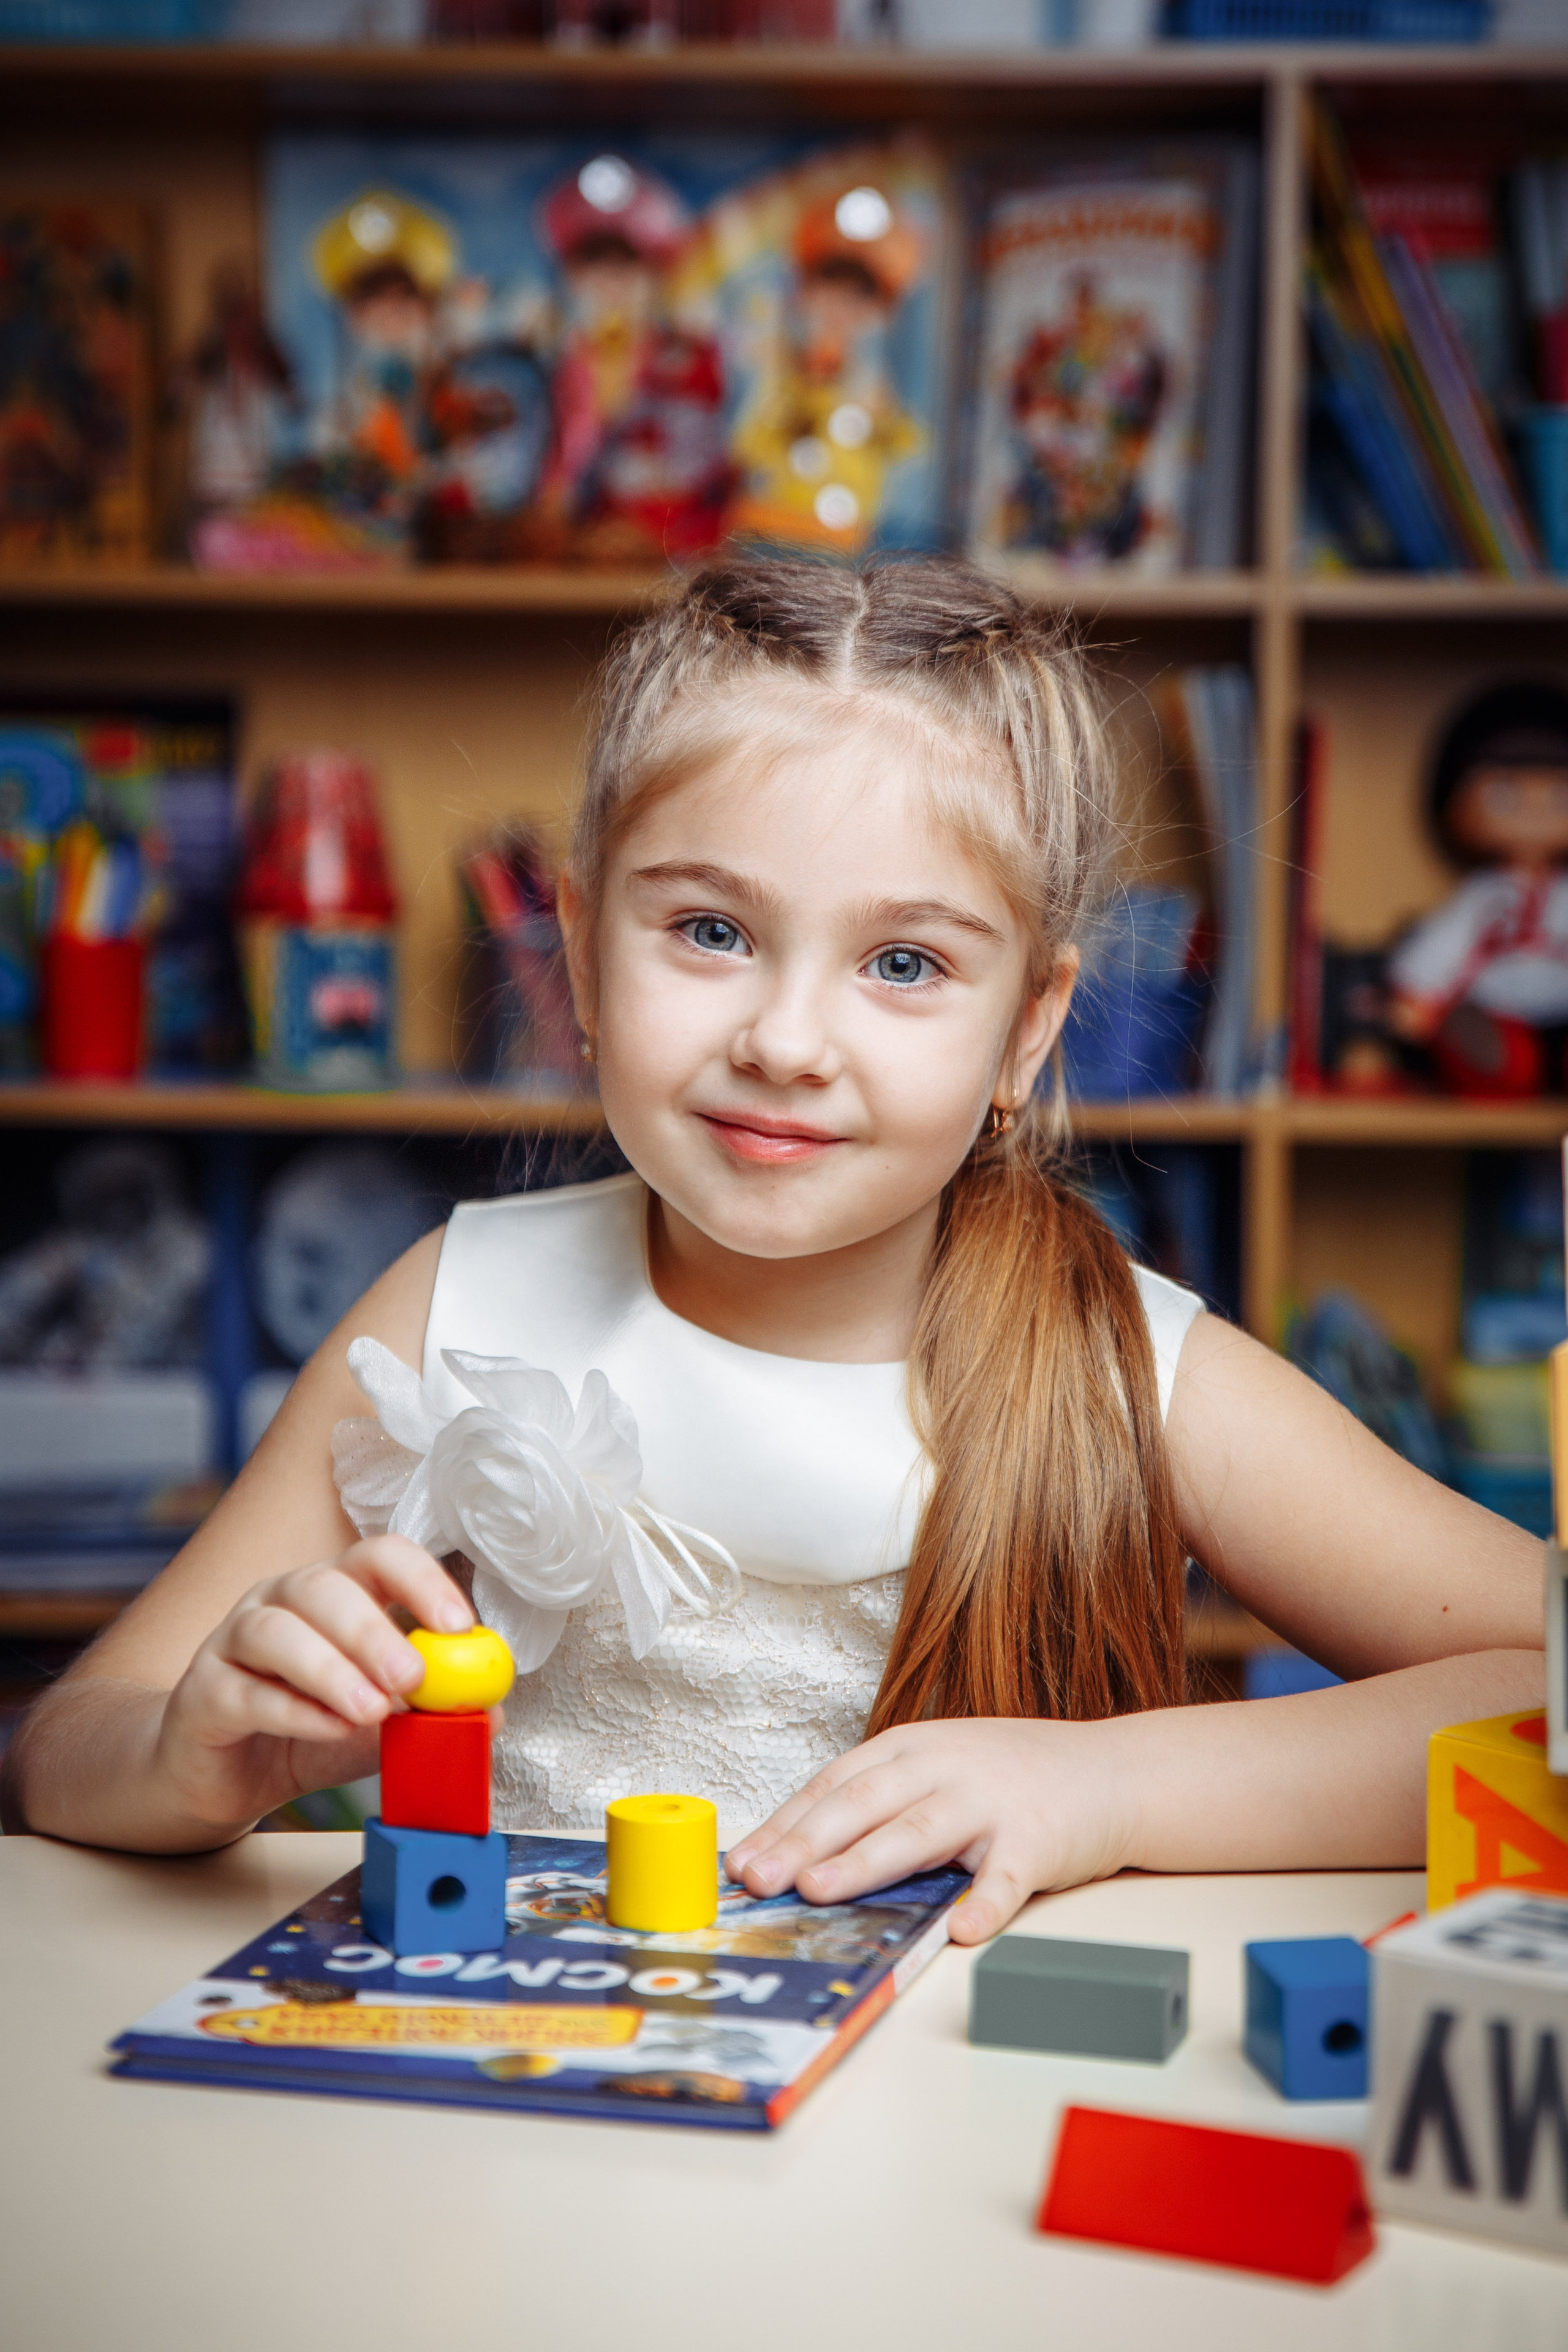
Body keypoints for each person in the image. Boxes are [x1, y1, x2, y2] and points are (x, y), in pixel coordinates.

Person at [3, 559, 1544, 1948]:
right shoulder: (453, 1302)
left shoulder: (1129, 1367)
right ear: (580, 949)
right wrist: (190, 1756)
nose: (786, 1041)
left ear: (1027, 1028)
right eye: (711, 932)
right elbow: (64, 1746)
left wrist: (1114, 1786)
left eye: (902, 962)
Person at [1387, 680, 1568, 1098]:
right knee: (1503, 1062)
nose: (1534, 811)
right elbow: (1448, 942)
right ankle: (1478, 1049)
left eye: (1561, 796)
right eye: (1504, 795)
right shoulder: (1484, 893)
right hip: (1498, 1002)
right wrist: (1419, 993)